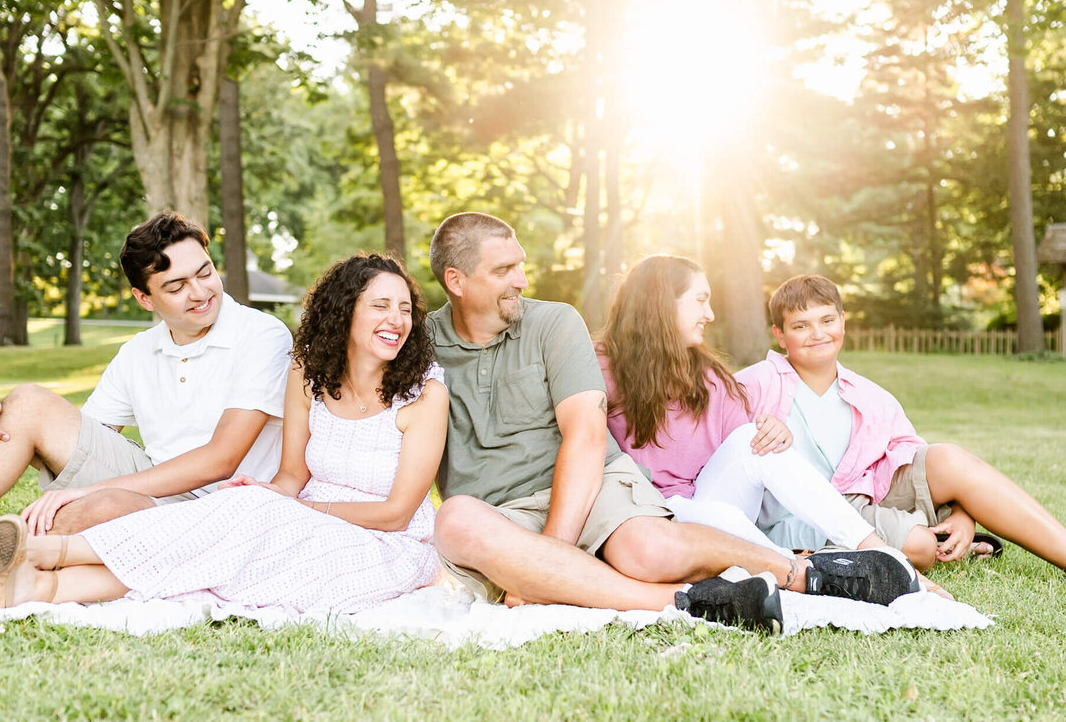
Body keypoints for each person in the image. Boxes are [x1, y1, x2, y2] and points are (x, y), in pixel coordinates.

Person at [427, 213, 920, 634]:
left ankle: (803, 573)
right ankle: (690, 601)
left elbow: (586, 435)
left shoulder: (555, 323)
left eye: (521, 265)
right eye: (505, 269)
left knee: (648, 551)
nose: (522, 280)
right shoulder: (422, 343)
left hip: (594, 492)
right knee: (455, 519)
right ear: (457, 280)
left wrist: (548, 559)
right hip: (501, 511)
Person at [0, 254, 448, 617]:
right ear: (344, 313)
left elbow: (397, 513)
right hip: (302, 519)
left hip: (387, 546)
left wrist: (287, 506)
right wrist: (266, 495)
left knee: (234, 543)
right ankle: (37, 590)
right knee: (225, 535)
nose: (397, 320)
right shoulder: (309, 374)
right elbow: (291, 476)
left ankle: (38, 552)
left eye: (405, 308)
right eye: (381, 305)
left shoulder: (424, 395)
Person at [0, 212, 292, 588]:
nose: (200, 292)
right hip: (153, 481)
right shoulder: (138, 352)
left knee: (104, 507)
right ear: (145, 299)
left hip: (225, 504)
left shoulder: (262, 335)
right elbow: (75, 448)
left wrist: (92, 492)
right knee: (29, 402)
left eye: (205, 273)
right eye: (177, 286)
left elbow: (222, 459)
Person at [736, 274, 1066, 573]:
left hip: (864, 497)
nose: (818, 333)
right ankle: (931, 537)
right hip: (803, 517)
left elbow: (913, 460)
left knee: (949, 457)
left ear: (843, 322)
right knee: (919, 547)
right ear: (779, 334)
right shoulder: (753, 384)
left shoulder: (870, 396)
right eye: (801, 326)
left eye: (827, 320)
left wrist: (963, 512)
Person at [597, 255, 897, 558]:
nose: (710, 315)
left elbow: (746, 453)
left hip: (710, 508)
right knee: (705, 516)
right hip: (644, 517)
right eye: (700, 300)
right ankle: (795, 566)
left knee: (751, 442)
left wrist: (772, 432)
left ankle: (880, 554)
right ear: (661, 302)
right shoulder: (599, 367)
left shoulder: (709, 377)